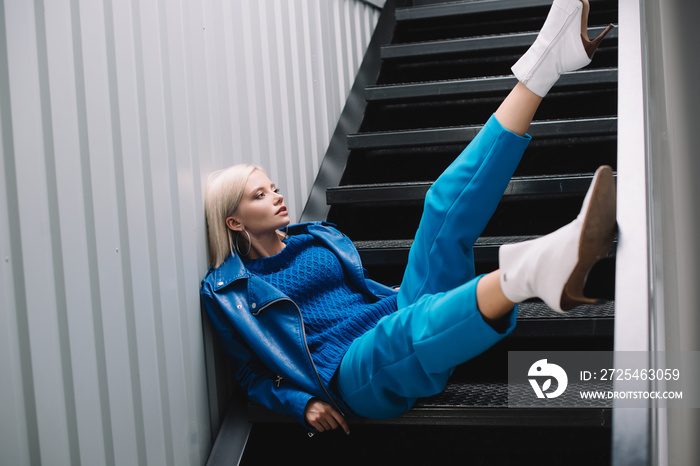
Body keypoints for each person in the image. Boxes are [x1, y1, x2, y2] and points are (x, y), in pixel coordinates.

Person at [200, 0, 615, 435]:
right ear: (234, 221)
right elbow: (250, 373)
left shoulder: (314, 237)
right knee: (405, 330)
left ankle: (545, 65)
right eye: (259, 195)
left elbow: (365, 295)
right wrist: (300, 403)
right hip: (351, 372)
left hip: (393, 311)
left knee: (441, 206)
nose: (277, 197)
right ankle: (531, 272)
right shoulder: (227, 288)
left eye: (274, 187)